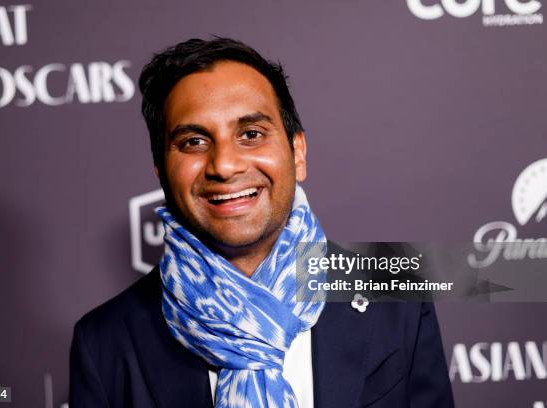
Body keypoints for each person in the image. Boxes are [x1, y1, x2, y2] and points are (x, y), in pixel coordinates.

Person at [69, 37, 454, 408]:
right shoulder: (105, 341)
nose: (224, 165)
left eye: (251, 134)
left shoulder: (396, 294)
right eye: (194, 142)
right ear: (160, 170)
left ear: (297, 152)